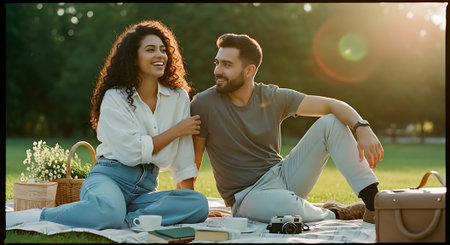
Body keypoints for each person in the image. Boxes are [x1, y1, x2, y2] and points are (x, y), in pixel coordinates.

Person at [6, 20, 208, 229]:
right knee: (109, 210)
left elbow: (184, 155)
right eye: (150, 50)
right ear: (134, 58)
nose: (161, 55)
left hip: (145, 188)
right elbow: (131, 152)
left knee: (199, 204)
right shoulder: (115, 97)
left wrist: (186, 198)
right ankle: (40, 215)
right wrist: (175, 131)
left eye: (163, 50)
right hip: (109, 178)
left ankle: (123, 219)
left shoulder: (178, 97)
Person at [190, 33, 384, 224]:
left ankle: (375, 205)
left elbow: (332, 105)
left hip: (283, 175)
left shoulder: (272, 96)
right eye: (217, 63)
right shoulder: (204, 104)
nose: (217, 70)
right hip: (247, 197)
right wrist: (190, 206)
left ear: (249, 71)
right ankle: (338, 213)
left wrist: (362, 128)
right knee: (285, 207)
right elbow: (193, 161)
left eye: (227, 65)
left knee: (331, 123)